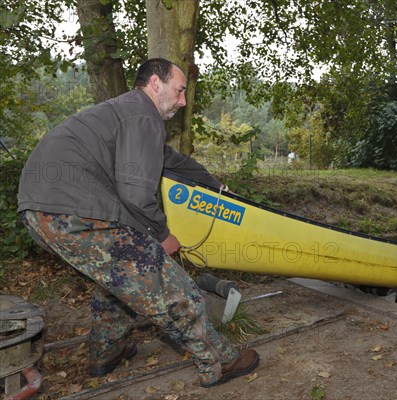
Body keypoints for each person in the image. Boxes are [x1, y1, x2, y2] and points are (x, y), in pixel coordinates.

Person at [17, 58, 259, 387]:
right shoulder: (143, 114)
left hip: (41, 209)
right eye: (180, 90)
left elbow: (175, 162)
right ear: (155, 84)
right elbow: (135, 193)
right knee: (167, 283)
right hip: (74, 207)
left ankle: (108, 352)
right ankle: (220, 361)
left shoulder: (126, 114)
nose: (183, 101)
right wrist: (162, 235)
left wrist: (215, 187)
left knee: (119, 274)